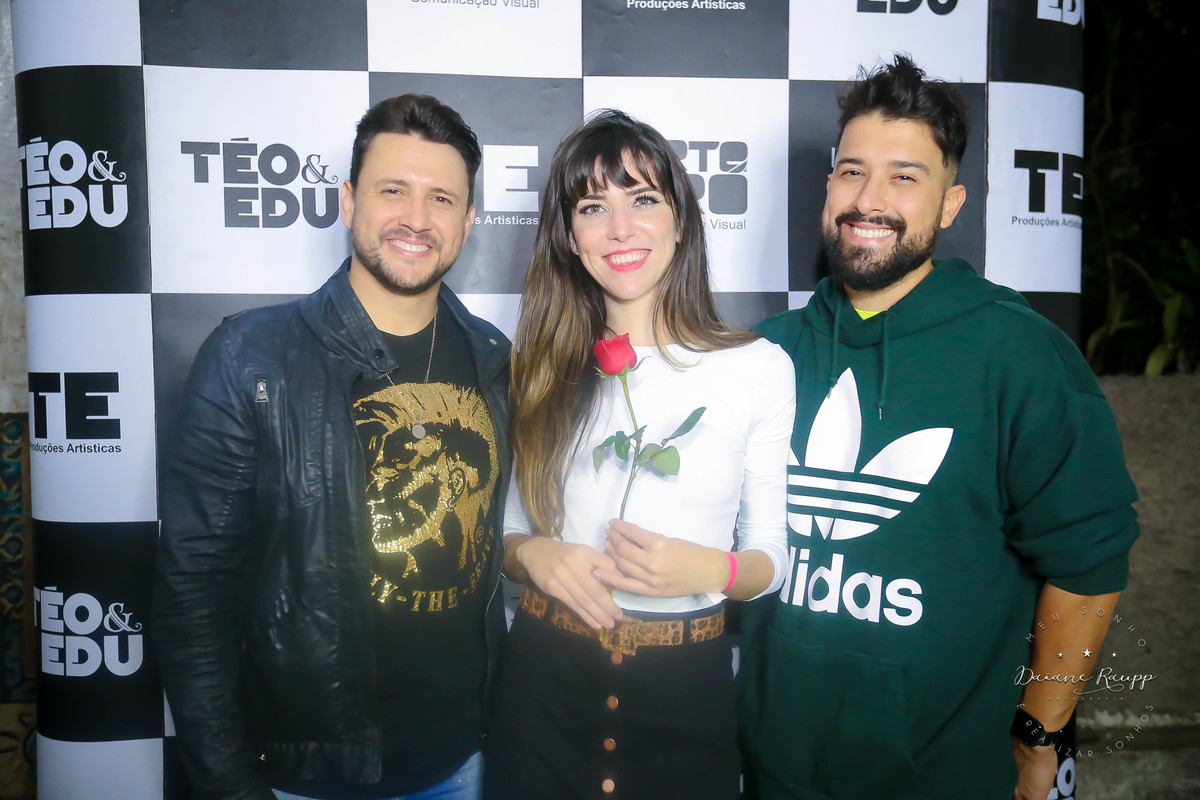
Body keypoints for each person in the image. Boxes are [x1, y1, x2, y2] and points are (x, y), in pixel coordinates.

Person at [738, 54, 1140, 800]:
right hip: (769, 772)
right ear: (828, 187)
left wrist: (1040, 732)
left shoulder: (1019, 355)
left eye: (905, 177)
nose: (870, 199)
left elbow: (1087, 567)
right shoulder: (766, 352)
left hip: (943, 777)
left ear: (950, 205)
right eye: (853, 172)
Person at [153, 94, 510, 800]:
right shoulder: (251, 357)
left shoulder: (492, 357)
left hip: (461, 764)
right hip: (305, 778)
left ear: (468, 221)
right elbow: (193, 592)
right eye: (393, 190)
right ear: (349, 202)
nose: (417, 218)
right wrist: (230, 786)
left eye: (441, 198)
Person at [483, 110, 795, 800]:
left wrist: (711, 568)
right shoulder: (539, 367)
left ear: (681, 221)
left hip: (687, 702)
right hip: (540, 695)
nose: (621, 229)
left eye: (643, 199)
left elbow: (772, 556)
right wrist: (533, 555)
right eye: (593, 208)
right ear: (571, 238)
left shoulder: (759, 368)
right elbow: (505, 535)